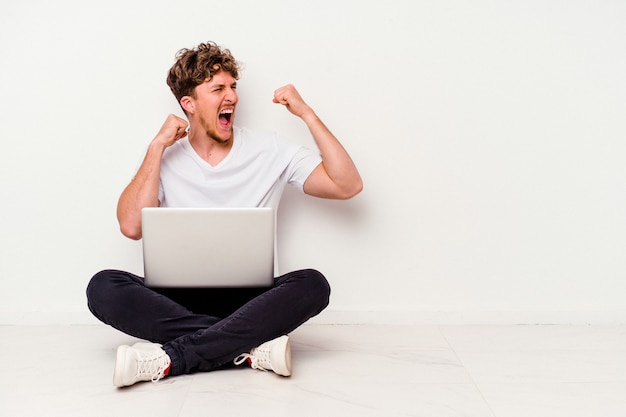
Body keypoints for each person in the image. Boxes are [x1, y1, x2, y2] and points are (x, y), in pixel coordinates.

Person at [86, 41, 362, 388]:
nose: (231, 96)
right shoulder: (165, 158)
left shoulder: (269, 148)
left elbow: (346, 184)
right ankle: (248, 349)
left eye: (233, 87)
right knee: (103, 287)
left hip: (251, 301)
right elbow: (130, 226)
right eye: (217, 88)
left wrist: (307, 114)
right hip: (177, 300)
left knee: (313, 285)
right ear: (189, 103)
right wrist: (156, 148)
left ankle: (171, 358)